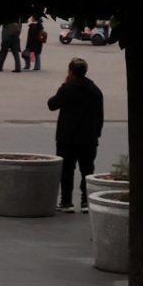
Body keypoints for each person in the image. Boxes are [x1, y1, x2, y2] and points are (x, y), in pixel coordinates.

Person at [48, 58, 107, 213]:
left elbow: (52, 104)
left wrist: (64, 85)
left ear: (71, 72)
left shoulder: (67, 89)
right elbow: (100, 115)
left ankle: (66, 202)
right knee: (87, 170)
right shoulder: (95, 90)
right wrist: (97, 134)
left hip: (67, 138)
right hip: (89, 138)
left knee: (67, 170)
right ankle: (86, 202)